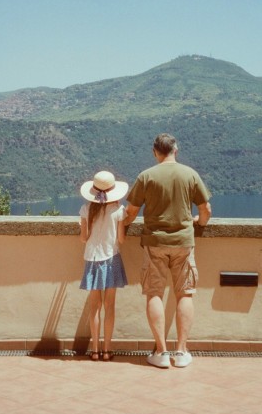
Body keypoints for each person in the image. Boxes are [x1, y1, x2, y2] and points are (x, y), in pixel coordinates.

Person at [124, 133, 211, 368]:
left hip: (154, 243)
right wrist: (200, 224)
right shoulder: (190, 174)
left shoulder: (146, 176)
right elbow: (205, 209)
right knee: (184, 293)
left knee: (154, 294)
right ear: (176, 150)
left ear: (155, 152)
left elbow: (130, 212)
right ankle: (181, 352)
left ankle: (161, 353)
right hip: (183, 242)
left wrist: (120, 227)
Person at [79, 170, 129, 361]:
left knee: (95, 308)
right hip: (111, 259)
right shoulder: (118, 210)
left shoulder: (85, 210)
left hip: (92, 260)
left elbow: (83, 238)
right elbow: (121, 239)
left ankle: (95, 350)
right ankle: (107, 350)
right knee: (110, 306)